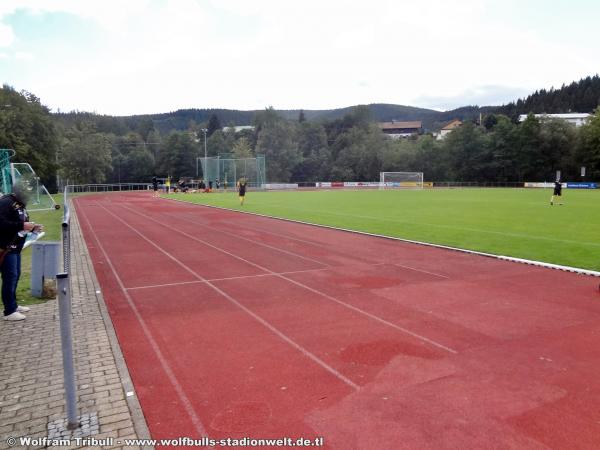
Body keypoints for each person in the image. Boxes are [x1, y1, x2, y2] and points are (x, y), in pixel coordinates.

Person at [0, 187, 43, 321]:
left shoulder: (19, 204)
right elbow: (1, 223)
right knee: (10, 277)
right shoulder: (6, 202)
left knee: (15, 275)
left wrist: (32, 228)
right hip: (5, 246)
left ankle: (13, 304)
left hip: (16, 246)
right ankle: (9, 310)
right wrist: (22, 226)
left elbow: (21, 222)